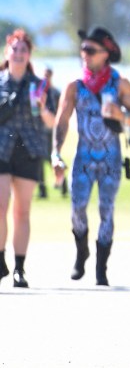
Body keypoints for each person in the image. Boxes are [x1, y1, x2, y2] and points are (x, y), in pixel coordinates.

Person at [52, 27, 130, 287]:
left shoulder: (120, 83)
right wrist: (56, 152)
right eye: (82, 49)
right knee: (77, 209)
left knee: (106, 210)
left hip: (112, 159)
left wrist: (121, 115)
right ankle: (82, 252)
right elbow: (62, 121)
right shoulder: (74, 86)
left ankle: (101, 269)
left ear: (106, 53)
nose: (84, 54)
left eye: (90, 50)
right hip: (83, 158)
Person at [0, 29, 56, 288]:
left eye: (24, 50)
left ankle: (19, 269)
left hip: (29, 150)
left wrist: (44, 106)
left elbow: (51, 122)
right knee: (0, 208)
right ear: (7, 52)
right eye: (15, 48)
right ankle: (1, 260)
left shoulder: (39, 86)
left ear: (29, 54)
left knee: (22, 212)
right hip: (1, 150)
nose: (19, 53)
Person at [36, 66, 65, 199]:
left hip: (51, 131)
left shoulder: (55, 93)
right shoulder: (37, 92)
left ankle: (63, 183)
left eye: (48, 75)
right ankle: (42, 190)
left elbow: (59, 113)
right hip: (39, 131)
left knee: (51, 157)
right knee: (39, 159)